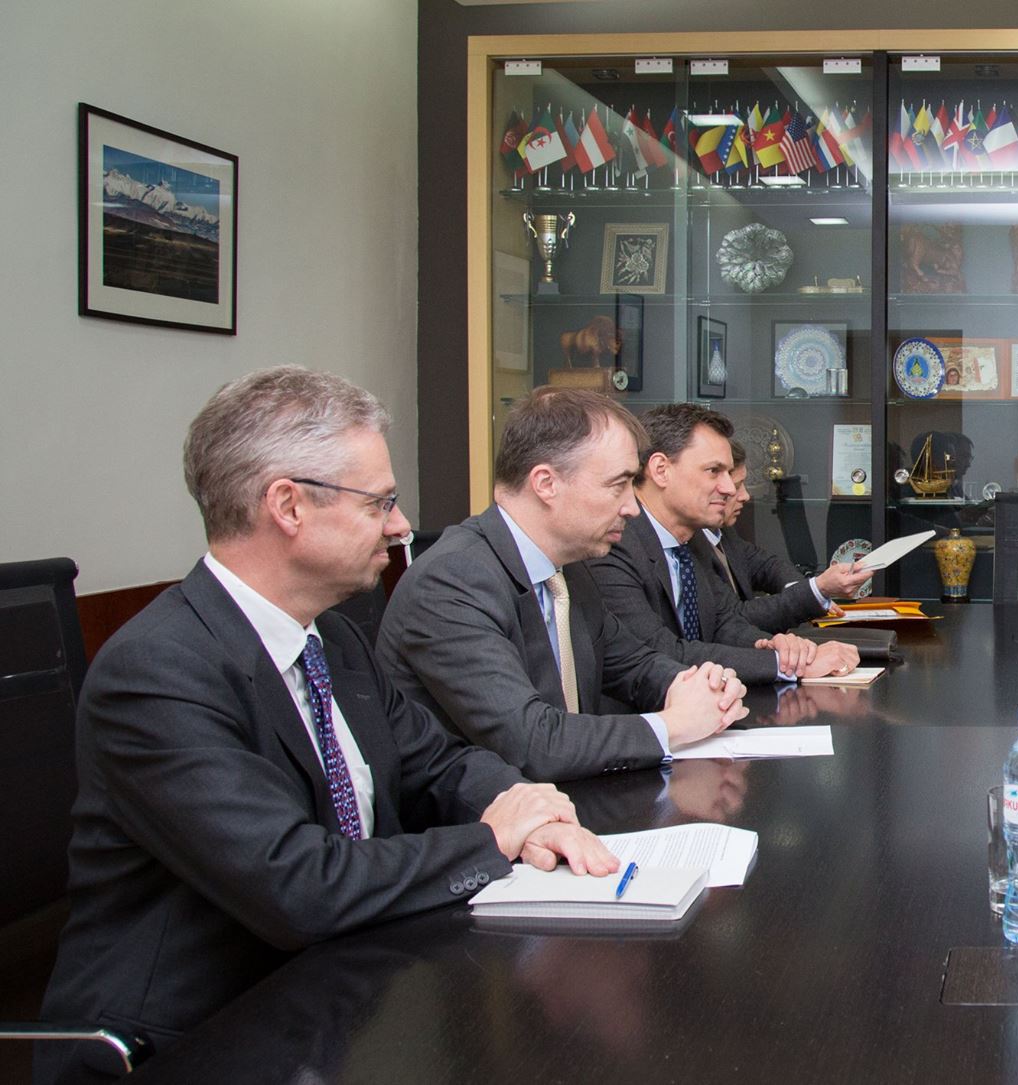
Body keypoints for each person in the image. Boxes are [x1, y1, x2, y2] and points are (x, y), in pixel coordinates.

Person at [41, 367, 618, 1073]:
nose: (401, 526)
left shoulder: (332, 638)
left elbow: (436, 763)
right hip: (190, 1039)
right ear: (288, 505)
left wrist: (530, 808)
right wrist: (493, 838)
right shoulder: (158, 672)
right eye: (380, 503)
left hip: (340, 993)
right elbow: (298, 884)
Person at [377, 388, 747, 782]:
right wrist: (672, 725)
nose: (632, 507)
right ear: (546, 483)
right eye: (618, 485)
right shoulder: (452, 581)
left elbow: (633, 665)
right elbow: (534, 743)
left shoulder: (569, 570)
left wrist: (700, 686)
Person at [587, 403, 861, 685]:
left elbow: (724, 622)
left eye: (728, 473)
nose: (730, 489)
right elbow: (657, 652)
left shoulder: (692, 539)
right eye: (713, 471)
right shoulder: (614, 543)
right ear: (661, 470)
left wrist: (774, 646)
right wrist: (785, 665)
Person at [701, 440, 872, 633]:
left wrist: (806, 591)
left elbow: (766, 566)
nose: (745, 496)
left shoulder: (722, 532)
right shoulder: (690, 544)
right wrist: (816, 590)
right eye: (737, 486)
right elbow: (735, 620)